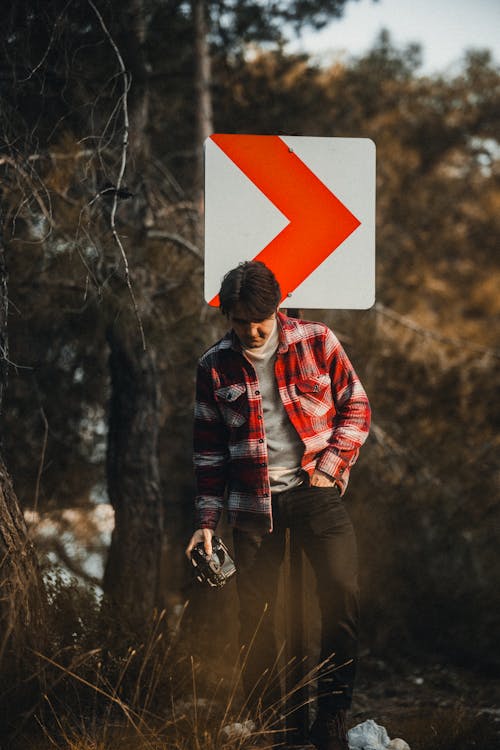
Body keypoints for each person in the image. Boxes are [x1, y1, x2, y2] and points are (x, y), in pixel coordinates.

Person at [186, 261, 371, 750]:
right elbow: (208, 453)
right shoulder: (213, 366)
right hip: (252, 505)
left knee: (341, 592)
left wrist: (331, 466)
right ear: (227, 317)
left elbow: (357, 404)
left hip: (316, 491)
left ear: (277, 306)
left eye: (259, 317)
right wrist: (206, 522)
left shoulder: (317, 340)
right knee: (259, 618)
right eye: (240, 320)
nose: (252, 329)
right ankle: (272, 721)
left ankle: (331, 715)